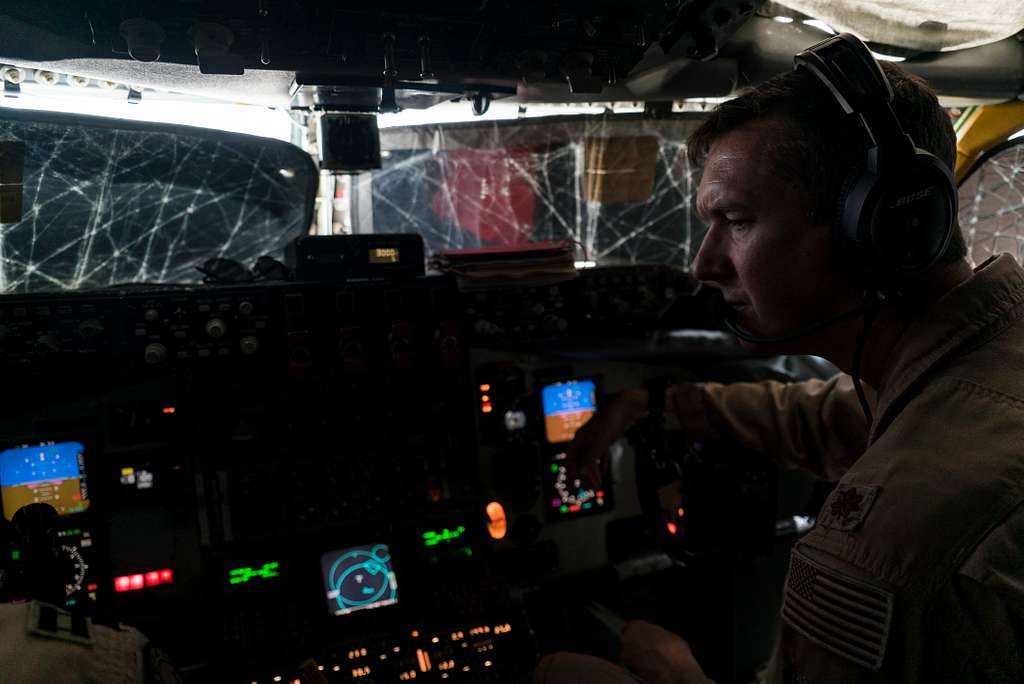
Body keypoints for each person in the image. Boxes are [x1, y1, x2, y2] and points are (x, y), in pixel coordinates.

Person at [538, 35, 1024, 683]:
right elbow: (836, 417)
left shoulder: (883, 549)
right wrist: (660, 404)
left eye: (734, 220)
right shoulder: (977, 371)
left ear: (881, 227)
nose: (704, 265)